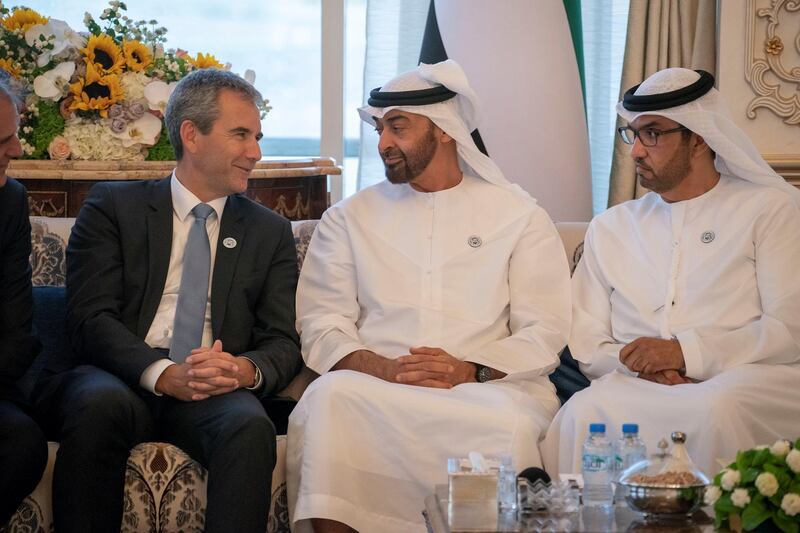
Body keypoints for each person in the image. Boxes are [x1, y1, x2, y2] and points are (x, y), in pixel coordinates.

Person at [287, 60, 572, 533]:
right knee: (328, 400)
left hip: (488, 388)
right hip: (376, 387)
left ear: (444, 130)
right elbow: (321, 322)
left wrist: (469, 369)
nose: (383, 143)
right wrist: (386, 368)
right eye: (380, 129)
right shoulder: (348, 217)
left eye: (398, 127)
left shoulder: (519, 215)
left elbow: (544, 328)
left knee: (512, 424)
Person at [33, 68, 303, 533]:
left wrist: (243, 369)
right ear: (191, 135)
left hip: (210, 386)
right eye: (241, 134)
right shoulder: (114, 207)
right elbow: (90, 319)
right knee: (98, 405)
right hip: (118, 375)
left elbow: (282, 339)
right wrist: (163, 375)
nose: (255, 152)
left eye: (257, 136)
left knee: (249, 425)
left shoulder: (269, 231)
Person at [541, 68, 800, 477]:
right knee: (583, 411)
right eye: (634, 134)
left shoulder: (769, 210)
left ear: (698, 137)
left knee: (715, 408)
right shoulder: (611, 226)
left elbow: (788, 328)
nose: (637, 151)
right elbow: (587, 337)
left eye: (653, 134)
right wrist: (645, 366)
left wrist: (687, 354)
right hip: (633, 380)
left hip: (742, 376)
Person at [0, 73, 48, 526]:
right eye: (2, 140)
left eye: (14, 134)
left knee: (20, 442)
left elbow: (17, 331)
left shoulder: (10, 200)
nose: (16, 150)